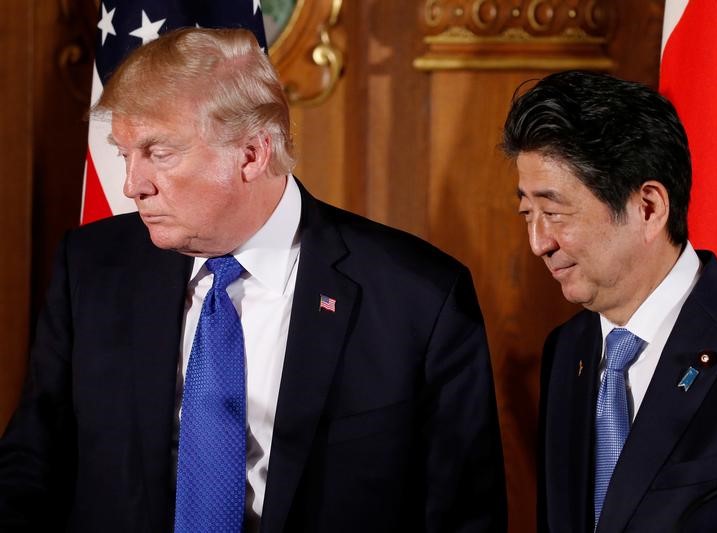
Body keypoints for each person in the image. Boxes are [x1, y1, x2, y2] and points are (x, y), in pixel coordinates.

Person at [0, 28, 506, 532]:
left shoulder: (418, 299)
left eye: (159, 153)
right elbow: (31, 466)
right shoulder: (92, 268)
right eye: (125, 154)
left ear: (251, 154)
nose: (133, 186)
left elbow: (465, 516)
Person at [503, 70, 717, 532]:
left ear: (649, 207)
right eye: (528, 214)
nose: (539, 242)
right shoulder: (567, 349)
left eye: (555, 212)